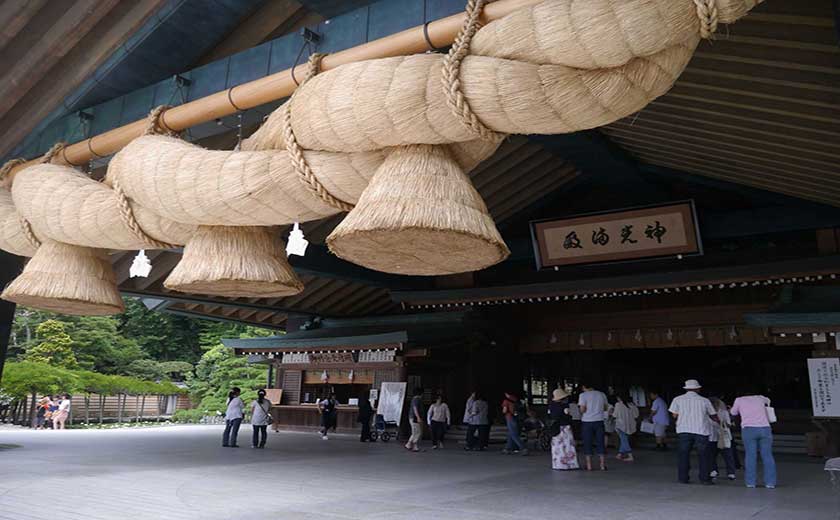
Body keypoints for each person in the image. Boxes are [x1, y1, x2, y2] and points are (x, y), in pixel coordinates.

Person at [669, 379, 718, 485]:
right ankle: (704, 479)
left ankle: (683, 478)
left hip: (683, 430)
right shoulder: (704, 401)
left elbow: (674, 415)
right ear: (698, 389)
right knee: (703, 455)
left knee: (683, 455)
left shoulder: (677, 399)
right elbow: (713, 415)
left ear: (686, 389)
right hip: (701, 430)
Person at [731, 391, 777, 489]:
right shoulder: (760, 397)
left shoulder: (739, 400)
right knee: (767, 456)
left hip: (749, 429)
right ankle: (770, 483)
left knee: (750, 456)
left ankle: (751, 482)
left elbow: (733, 412)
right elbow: (768, 401)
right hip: (765, 428)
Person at [577, 383, 608, 470]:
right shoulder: (602, 394)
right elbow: (605, 408)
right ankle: (602, 465)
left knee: (587, 442)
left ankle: (589, 465)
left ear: (583, 386)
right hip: (599, 420)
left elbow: (582, 409)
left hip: (587, 421)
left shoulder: (583, 395)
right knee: (600, 441)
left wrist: (582, 410)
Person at [548, 388, 579, 470]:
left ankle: (558, 464)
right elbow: (568, 416)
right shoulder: (564, 406)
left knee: (557, 447)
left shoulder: (551, 405)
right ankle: (570, 464)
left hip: (555, 427)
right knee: (568, 446)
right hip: (565, 427)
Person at [708, 397, 736, 481]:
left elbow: (729, 424)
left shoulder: (723, 412)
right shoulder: (706, 413)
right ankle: (713, 470)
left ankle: (731, 472)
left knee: (728, 455)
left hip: (723, 436)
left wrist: (723, 423)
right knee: (712, 455)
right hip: (712, 436)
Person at [613, 393, 639, 462]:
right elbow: (636, 415)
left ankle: (630, 456)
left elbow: (615, 415)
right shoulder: (632, 405)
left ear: (619, 398)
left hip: (621, 425)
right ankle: (620, 454)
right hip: (630, 425)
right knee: (624, 439)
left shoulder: (618, 405)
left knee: (624, 440)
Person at [405, 387, 424, 452]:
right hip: (415, 418)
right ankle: (412, 445)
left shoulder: (414, 399)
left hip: (413, 417)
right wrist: (418, 417)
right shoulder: (416, 399)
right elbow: (415, 408)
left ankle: (410, 445)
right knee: (418, 432)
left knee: (415, 432)